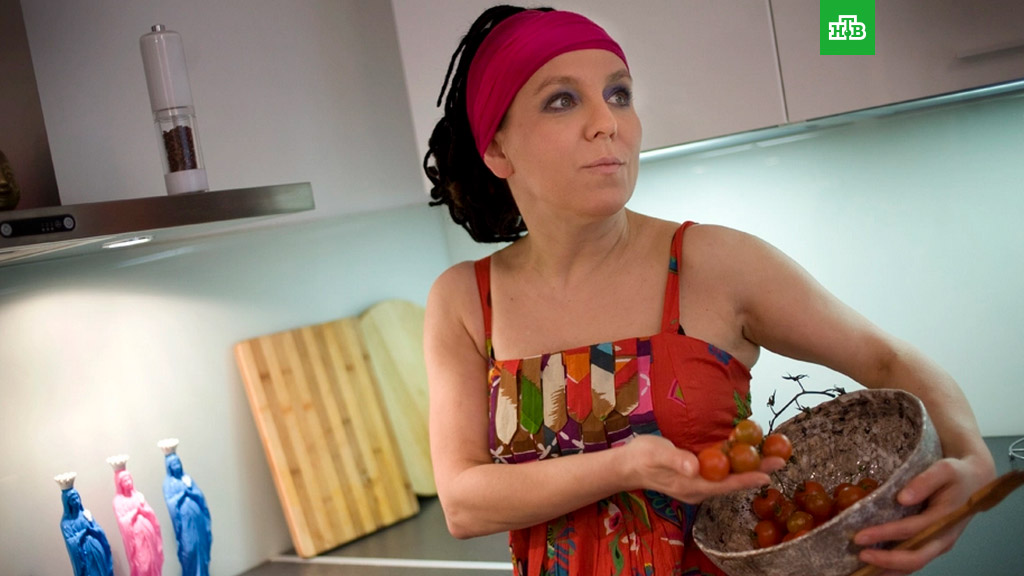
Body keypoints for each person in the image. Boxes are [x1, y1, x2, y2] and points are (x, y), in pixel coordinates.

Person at [421, 5, 997, 576]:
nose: (607, 122)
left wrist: (972, 457)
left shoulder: (714, 262)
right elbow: (464, 505)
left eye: (619, 94)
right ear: (497, 149)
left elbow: (884, 358)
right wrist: (623, 467)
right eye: (562, 100)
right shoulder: (465, 301)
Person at [159, 439, 212, 576]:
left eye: (178, 463)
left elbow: (199, 495)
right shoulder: (168, 484)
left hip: (197, 520)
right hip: (185, 523)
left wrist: (191, 492)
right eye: (174, 464)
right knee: (189, 550)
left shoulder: (187, 478)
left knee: (201, 546)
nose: (177, 466)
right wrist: (182, 494)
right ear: (169, 467)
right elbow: (171, 503)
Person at [109, 455, 164, 576]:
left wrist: (145, 511)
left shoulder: (138, 495)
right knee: (143, 565)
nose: (128, 482)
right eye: (125, 481)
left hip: (148, 534)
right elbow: (123, 522)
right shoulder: (118, 501)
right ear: (120, 483)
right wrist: (135, 513)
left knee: (152, 562)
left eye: (129, 479)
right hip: (136, 539)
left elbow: (150, 512)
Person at [56, 472, 115, 576]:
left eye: (77, 498)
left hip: (95, 548)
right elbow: (71, 543)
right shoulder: (66, 523)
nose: (76, 501)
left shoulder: (85, 514)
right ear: (67, 502)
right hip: (85, 555)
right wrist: (82, 533)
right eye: (73, 499)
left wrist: (93, 530)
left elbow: (97, 529)